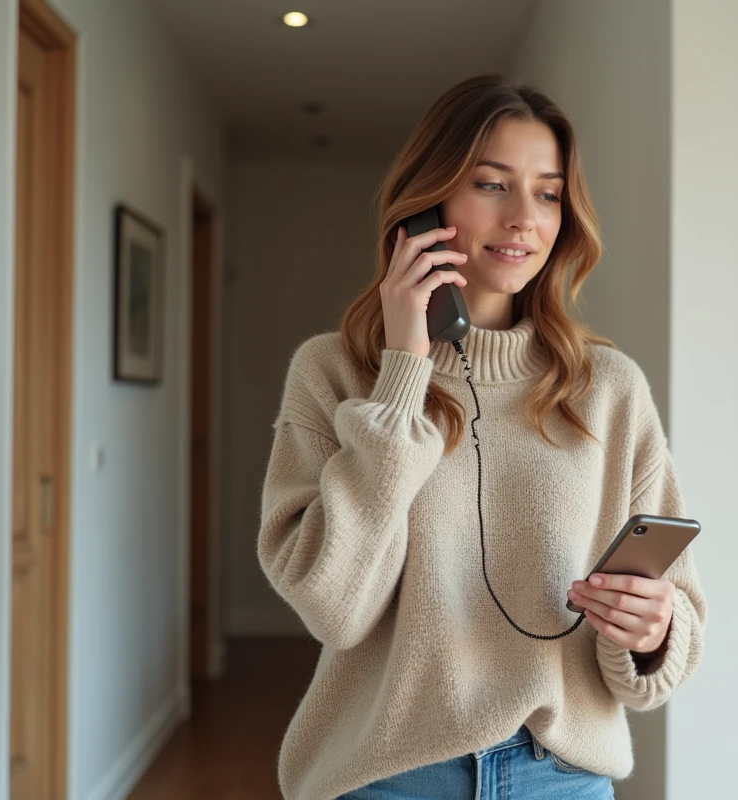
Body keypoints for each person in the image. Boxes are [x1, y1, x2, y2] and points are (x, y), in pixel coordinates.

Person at [257, 73, 707, 800]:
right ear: (427, 204)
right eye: (492, 185)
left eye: (548, 194)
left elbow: (675, 622)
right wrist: (404, 373)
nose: (524, 217)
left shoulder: (609, 387)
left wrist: (651, 632)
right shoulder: (334, 371)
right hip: (390, 778)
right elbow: (334, 608)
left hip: (561, 778)